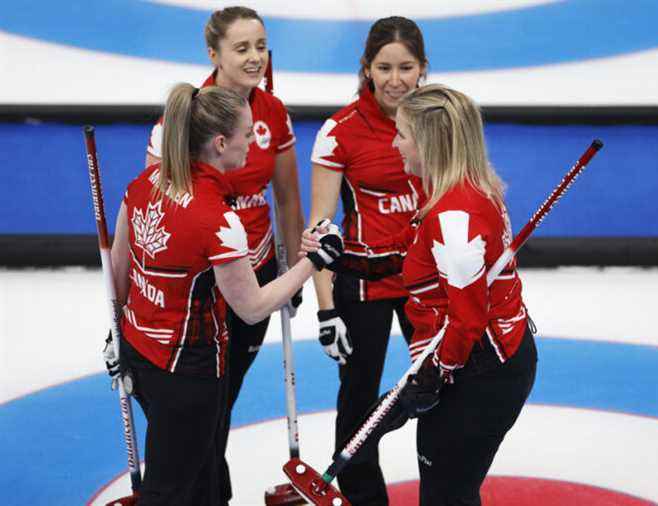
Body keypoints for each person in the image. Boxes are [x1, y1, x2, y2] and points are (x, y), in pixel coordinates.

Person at [107, 83, 342, 505]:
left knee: (198, 474)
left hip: (141, 355)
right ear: (220, 143)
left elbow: (119, 277)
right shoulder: (218, 220)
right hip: (190, 370)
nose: (253, 144)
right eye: (248, 135)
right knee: (171, 489)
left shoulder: (142, 184)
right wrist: (314, 261)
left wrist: (116, 336)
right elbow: (251, 308)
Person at [305, 84, 538, 505]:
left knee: (445, 495)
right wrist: (345, 262)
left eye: (403, 134)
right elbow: (411, 259)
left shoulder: (455, 217)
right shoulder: (453, 190)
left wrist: (430, 377)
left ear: (429, 141)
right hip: (480, 363)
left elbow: (467, 319)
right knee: (451, 492)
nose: (395, 144)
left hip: (483, 371)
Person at [143, 6, 304, 501]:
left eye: (260, 46)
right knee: (199, 407)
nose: (255, 57)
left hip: (253, 274)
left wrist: (293, 270)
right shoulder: (187, 113)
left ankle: (210, 490)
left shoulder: (272, 112)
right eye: (242, 48)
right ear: (212, 54)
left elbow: (288, 198)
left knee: (221, 402)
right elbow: (153, 205)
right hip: (196, 289)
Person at [308, 16, 427, 505]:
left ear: (423, 69)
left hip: (425, 281)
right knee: (359, 399)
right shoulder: (339, 132)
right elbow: (319, 228)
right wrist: (325, 309)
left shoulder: (437, 121)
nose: (396, 79)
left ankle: (443, 489)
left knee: (443, 390)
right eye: (385, 67)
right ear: (367, 69)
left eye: (406, 67)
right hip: (363, 285)